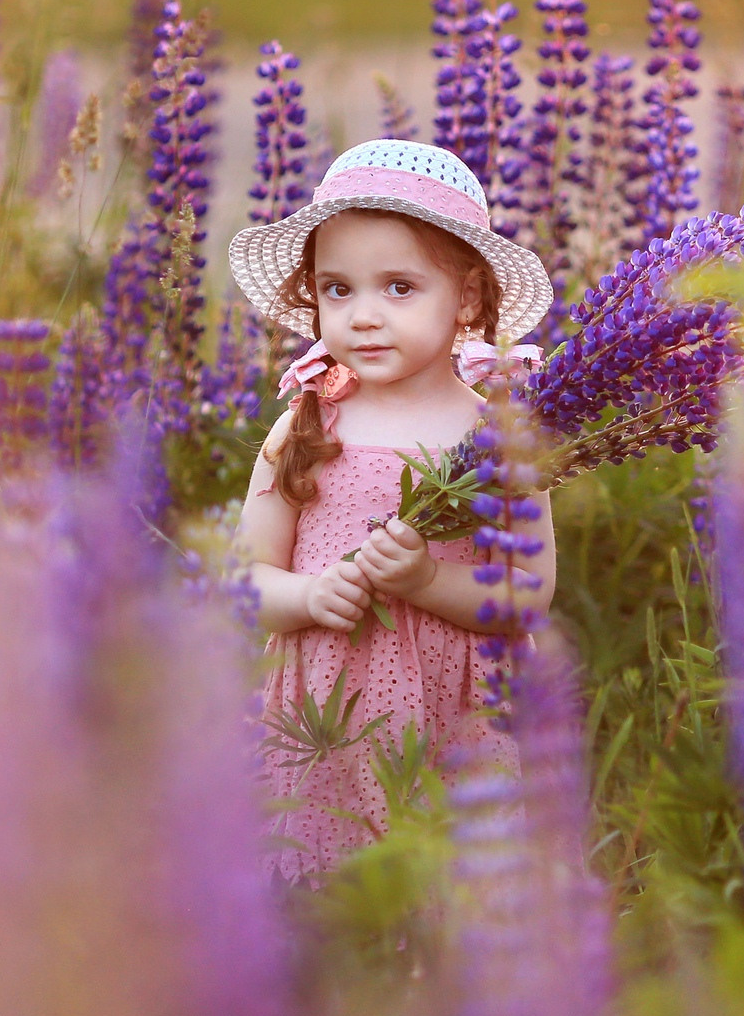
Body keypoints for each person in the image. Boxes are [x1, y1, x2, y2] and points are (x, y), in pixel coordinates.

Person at [228, 139, 557, 883]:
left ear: (467, 298)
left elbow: (529, 593)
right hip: (324, 716)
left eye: (400, 287)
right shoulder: (304, 427)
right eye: (338, 289)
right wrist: (308, 595)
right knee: (326, 889)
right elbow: (247, 579)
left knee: (452, 893)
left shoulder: (499, 436)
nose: (365, 316)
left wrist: (426, 583)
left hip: (458, 714)